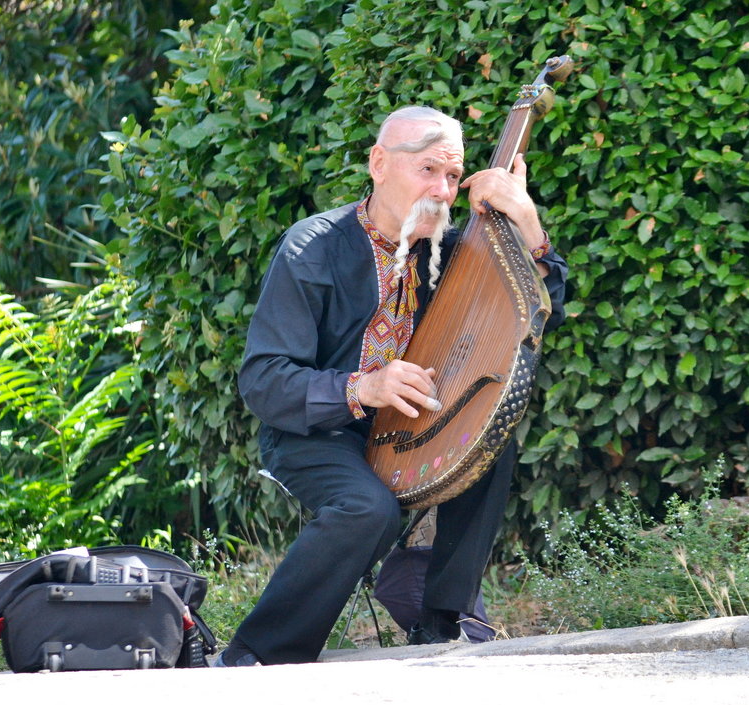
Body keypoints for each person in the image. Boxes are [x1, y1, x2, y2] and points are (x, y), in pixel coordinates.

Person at [216, 105, 567, 666]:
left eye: (454, 177)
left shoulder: (452, 250)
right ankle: (258, 654)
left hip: (408, 426)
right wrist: (366, 387)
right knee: (368, 509)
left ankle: (441, 624)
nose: (443, 190)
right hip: (316, 432)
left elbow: (539, 309)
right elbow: (263, 380)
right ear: (379, 164)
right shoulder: (312, 249)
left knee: (493, 439)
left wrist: (527, 225)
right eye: (428, 170)